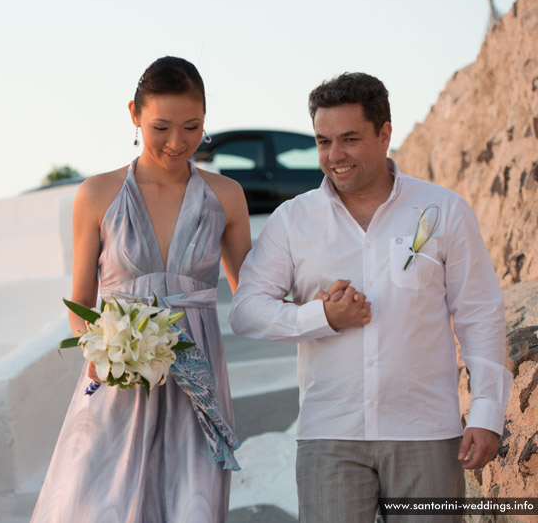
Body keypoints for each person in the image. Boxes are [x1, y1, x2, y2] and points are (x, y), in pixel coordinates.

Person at [229, 72, 513, 522]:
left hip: (426, 434)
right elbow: (246, 312)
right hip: (330, 436)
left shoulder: (445, 210)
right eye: (323, 141)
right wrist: (322, 316)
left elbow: (479, 314)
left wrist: (486, 412)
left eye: (349, 139)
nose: (334, 156)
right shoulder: (292, 220)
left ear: (385, 135)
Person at [31, 56, 251, 523]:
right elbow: (80, 303)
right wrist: (105, 350)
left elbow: (251, 291)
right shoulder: (96, 194)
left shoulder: (226, 195)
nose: (177, 143)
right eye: (161, 127)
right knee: (98, 506)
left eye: (192, 127)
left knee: (190, 507)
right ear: (133, 113)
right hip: (118, 380)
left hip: (198, 380)